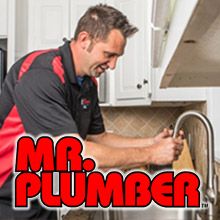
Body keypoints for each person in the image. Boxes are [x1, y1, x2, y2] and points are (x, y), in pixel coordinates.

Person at [0, 4, 184, 220]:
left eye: (117, 57)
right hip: (8, 200)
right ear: (85, 39)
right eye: (109, 54)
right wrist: (151, 154)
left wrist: (150, 143)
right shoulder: (41, 76)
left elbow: (100, 138)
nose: (113, 65)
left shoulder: (88, 84)